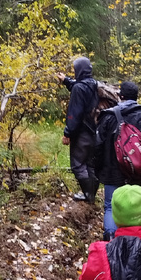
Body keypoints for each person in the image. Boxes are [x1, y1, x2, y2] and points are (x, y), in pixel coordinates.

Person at [93, 79, 141, 240]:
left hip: (111, 170)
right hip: (136, 170)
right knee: (134, 206)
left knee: (110, 206)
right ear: (136, 97)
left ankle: (111, 240)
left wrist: (97, 168)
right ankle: (135, 241)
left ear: (120, 95)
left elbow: (98, 146)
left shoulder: (108, 116)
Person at [58, 56, 99, 203]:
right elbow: (79, 87)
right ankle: (92, 194)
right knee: (90, 164)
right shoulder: (94, 84)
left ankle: (88, 196)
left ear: (79, 70)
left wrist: (67, 133)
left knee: (77, 165)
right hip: (94, 131)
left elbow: (74, 114)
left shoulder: (79, 88)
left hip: (81, 133)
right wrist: (66, 80)